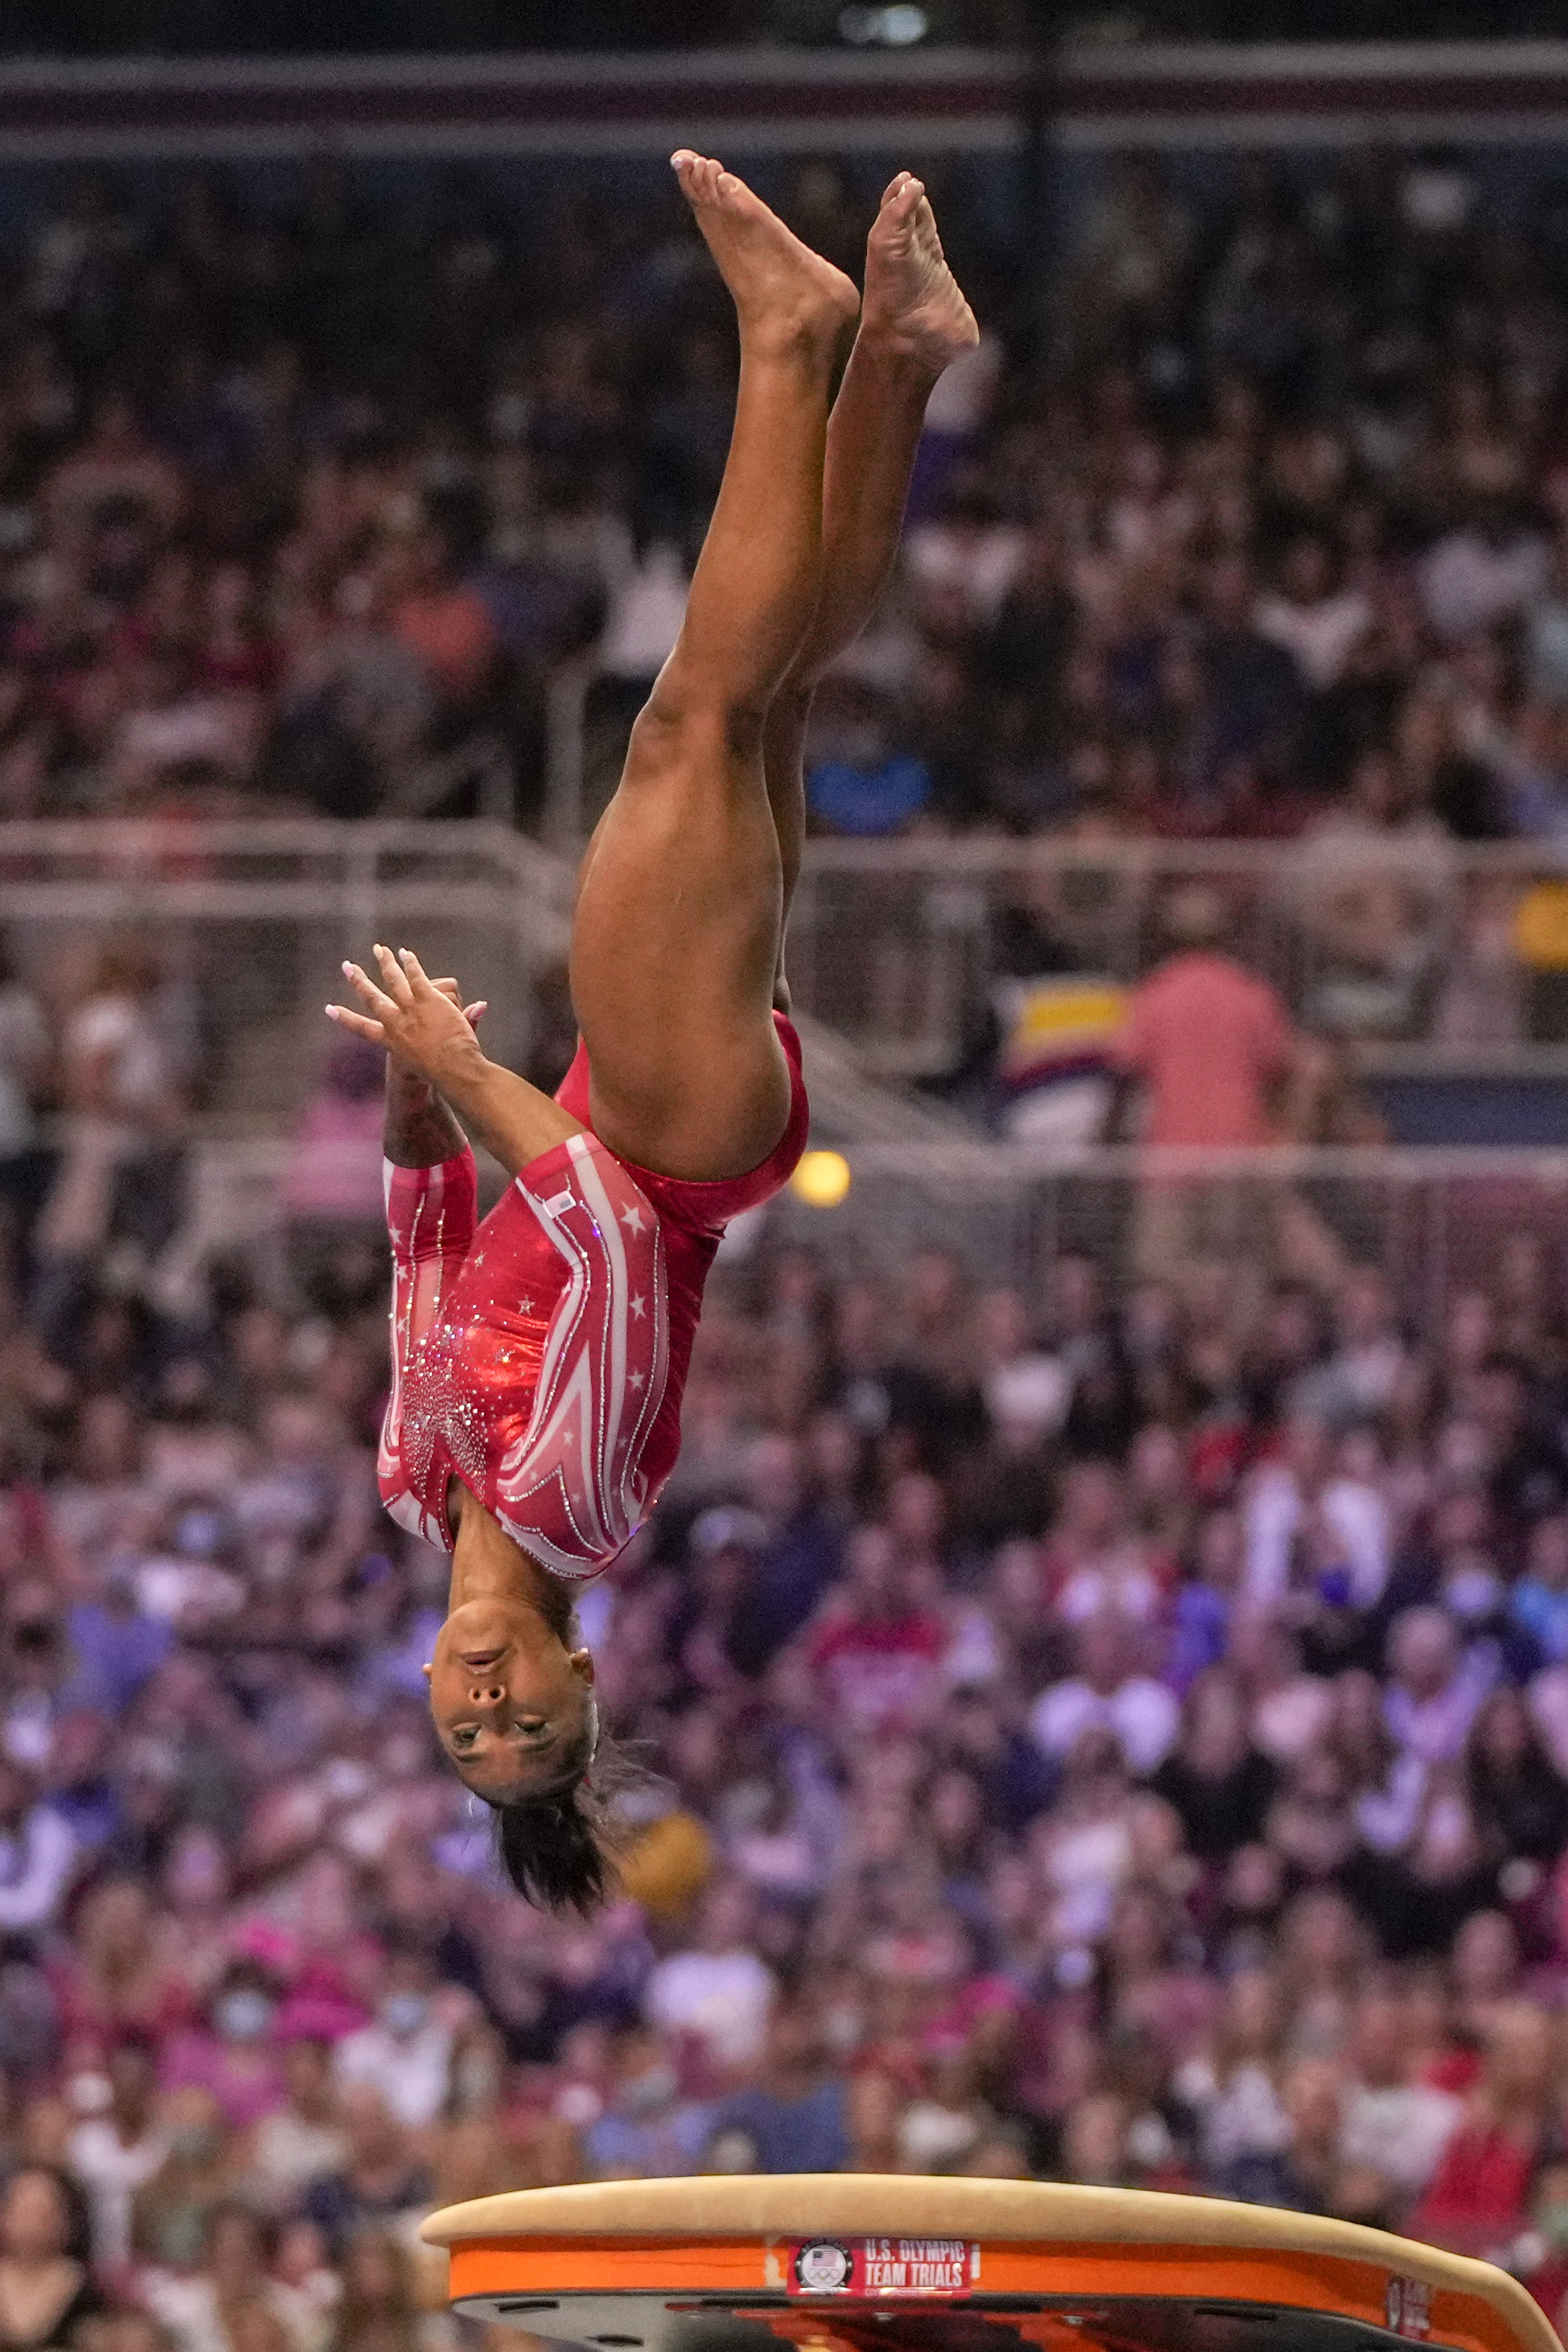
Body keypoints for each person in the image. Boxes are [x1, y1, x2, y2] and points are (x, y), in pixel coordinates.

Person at [325, 155, 978, 1910]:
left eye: (466, 1734)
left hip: (628, 1105)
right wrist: (468, 1075)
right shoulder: (570, 1512)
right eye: (524, 1722)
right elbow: (603, 1240)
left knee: (758, 693)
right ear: (576, 1677)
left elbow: (422, 1239)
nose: (482, 1701)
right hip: (664, 1140)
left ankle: (901, 357)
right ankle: (792, 335)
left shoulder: (418, 1483)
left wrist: (413, 1102)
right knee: (685, 718)